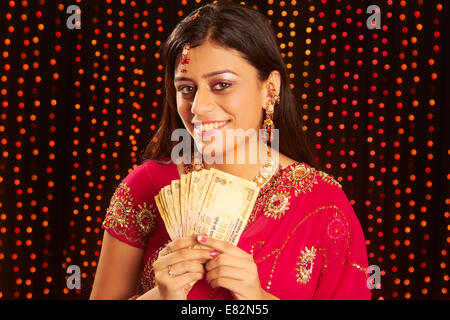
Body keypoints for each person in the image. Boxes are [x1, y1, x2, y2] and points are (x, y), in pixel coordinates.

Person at [90, 1, 371, 300]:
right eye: (186, 88)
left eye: (222, 84)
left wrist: (257, 299)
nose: (198, 107)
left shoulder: (321, 203)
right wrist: (158, 298)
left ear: (270, 89)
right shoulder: (146, 187)